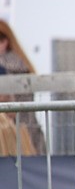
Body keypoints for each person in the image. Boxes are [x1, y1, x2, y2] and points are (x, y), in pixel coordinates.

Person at [0, 20, 47, 155]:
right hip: (31, 134)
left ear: (5, 42)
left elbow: (6, 102)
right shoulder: (23, 64)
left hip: (10, 136)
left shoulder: (3, 67)